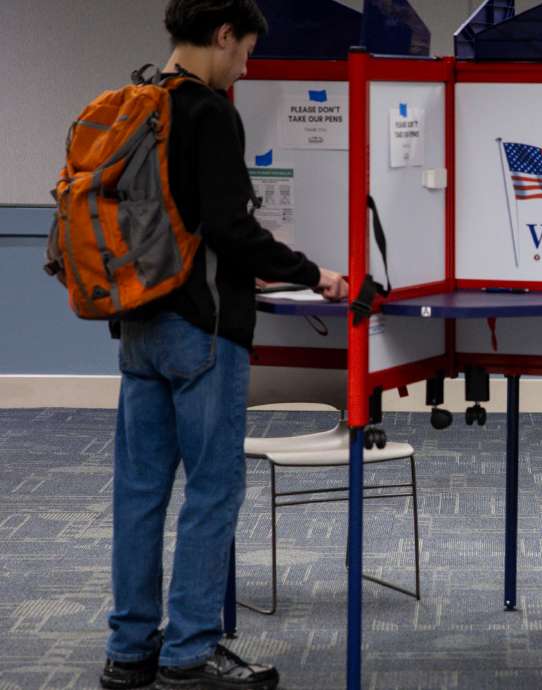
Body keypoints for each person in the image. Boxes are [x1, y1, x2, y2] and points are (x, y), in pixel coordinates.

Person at [100, 2, 349, 689]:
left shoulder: (139, 100)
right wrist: (315, 274)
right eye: (244, 53)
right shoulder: (209, 114)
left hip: (139, 331)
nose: (248, 66)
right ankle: (189, 652)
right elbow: (229, 232)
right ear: (221, 36)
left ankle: (128, 652)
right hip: (203, 334)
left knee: (140, 493)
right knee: (213, 492)